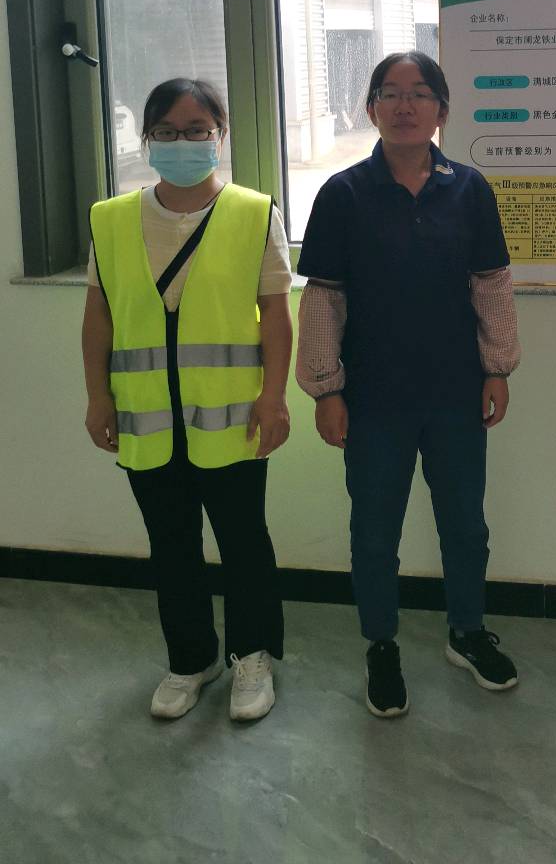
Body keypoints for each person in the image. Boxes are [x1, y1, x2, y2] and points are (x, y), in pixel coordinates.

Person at [295, 51, 521, 719]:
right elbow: (324, 299)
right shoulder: (342, 194)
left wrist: (497, 368)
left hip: (455, 393)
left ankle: (467, 632)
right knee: (374, 532)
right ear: (370, 109)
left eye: (420, 93)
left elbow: (492, 286)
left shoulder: (469, 188)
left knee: (465, 527)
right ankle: (381, 644)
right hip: (373, 399)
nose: (404, 105)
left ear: (441, 111)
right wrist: (326, 389)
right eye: (390, 93)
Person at [82, 78, 293, 723]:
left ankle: (251, 657)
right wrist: (97, 398)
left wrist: (275, 399)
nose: (183, 142)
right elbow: (98, 317)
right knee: (171, 545)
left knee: (243, 542)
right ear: (147, 139)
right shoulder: (110, 219)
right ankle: (191, 659)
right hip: (145, 418)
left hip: (231, 417)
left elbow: (276, 314)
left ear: (220, 136)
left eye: (197, 130)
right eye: (168, 132)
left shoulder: (254, 213)